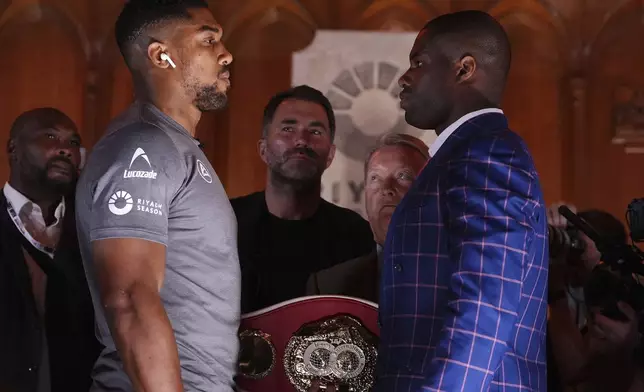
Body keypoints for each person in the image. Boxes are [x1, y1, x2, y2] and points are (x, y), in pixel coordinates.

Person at [376, 10, 548, 391]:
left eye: (417, 63)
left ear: (463, 69)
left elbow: (487, 303)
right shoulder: (462, 153)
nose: (404, 78)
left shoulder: (487, 151)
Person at [75, 1, 239, 391]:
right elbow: (130, 297)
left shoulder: (176, 148)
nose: (226, 53)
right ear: (160, 54)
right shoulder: (143, 148)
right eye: (208, 39)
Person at [231, 85, 375, 313]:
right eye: (288, 129)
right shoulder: (225, 224)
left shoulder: (358, 237)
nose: (301, 141)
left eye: (315, 132)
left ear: (330, 155)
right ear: (263, 150)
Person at [0, 108, 99, 392]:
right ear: (13, 148)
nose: (66, 150)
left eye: (73, 142)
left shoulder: (95, 228)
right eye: (51, 136)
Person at [305, 132, 429, 303]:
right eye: (375, 178)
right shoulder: (328, 289)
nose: (386, 189)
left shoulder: (463, 277)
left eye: (403, 176)